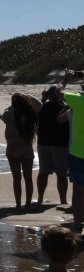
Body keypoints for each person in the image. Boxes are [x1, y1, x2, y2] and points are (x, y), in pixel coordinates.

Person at [1, 93, 39, 208]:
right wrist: (30, 97)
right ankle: (28, 203)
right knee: (28, 177)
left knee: (16, 178)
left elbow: (3, 116)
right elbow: (40, 104)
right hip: (27, 146)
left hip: (13, 147)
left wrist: (11, 107)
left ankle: (18, 204)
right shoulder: (31, 114)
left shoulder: (9, 114)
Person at [37, 85, 70, 206]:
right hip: (60, 144)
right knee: (61, 175)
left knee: (43, 173)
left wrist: (43, 99)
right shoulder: (64, 108)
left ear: (49, 96)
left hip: (43, 143)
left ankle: (40, 198)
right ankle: (63, 200)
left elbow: (36, 109)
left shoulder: (42, 107)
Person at [60, 70, 84, 230]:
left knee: (78, 190)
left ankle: (77, 223)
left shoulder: (77, 100)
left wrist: (66, 79)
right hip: (77, 153)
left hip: (78, 152)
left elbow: (57, 92)